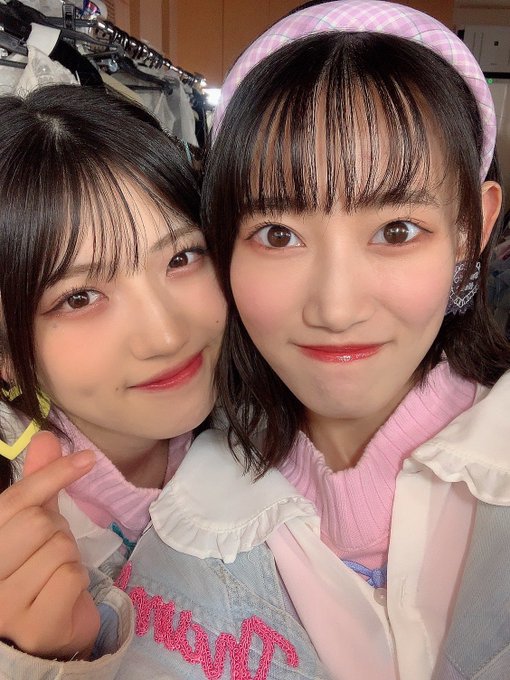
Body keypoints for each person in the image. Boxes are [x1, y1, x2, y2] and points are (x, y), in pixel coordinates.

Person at [15, 2, 510, 679]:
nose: (336, 308)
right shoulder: (189, 517)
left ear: (472, 230)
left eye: (396, 231)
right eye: (279, 235)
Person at [0, 83, 225, 674]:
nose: (166, 336)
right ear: (5, 353)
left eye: (181, 257)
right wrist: (38, 660)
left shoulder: (270, 418)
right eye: (79, 297)